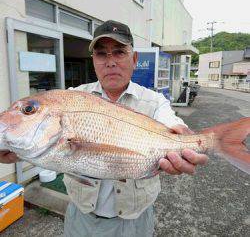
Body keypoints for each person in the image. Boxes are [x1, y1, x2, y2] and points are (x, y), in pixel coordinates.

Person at [0, 20, 208, 237]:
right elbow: (41, 145)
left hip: (135, 222)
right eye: (101, 54)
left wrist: (190, 141)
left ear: (134, 59)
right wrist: (12, 151)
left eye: (119, 52)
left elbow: (174, 124)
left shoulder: (155, 101)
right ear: (94, 61)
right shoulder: (72, 97)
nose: (110, 62)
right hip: (82, 218)